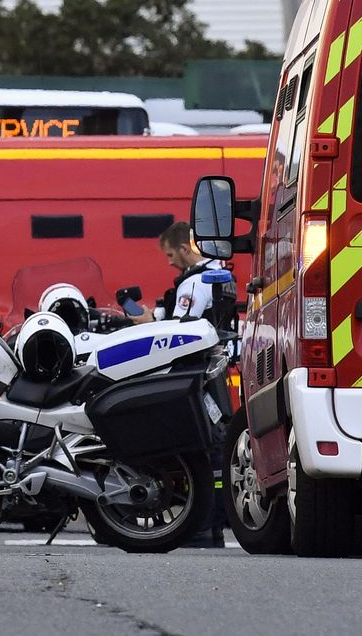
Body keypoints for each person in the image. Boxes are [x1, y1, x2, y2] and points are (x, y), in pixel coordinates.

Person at [141, 220, 232, 548]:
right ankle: (213, 525)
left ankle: (203, 526)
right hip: (214, 371)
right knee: (215, 449)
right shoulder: (217, 271)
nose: (168, 262)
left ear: (183, 248)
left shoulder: (193, 284)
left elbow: (180, 330)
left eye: (169, 254)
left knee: (201, 449)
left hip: (196, 375)